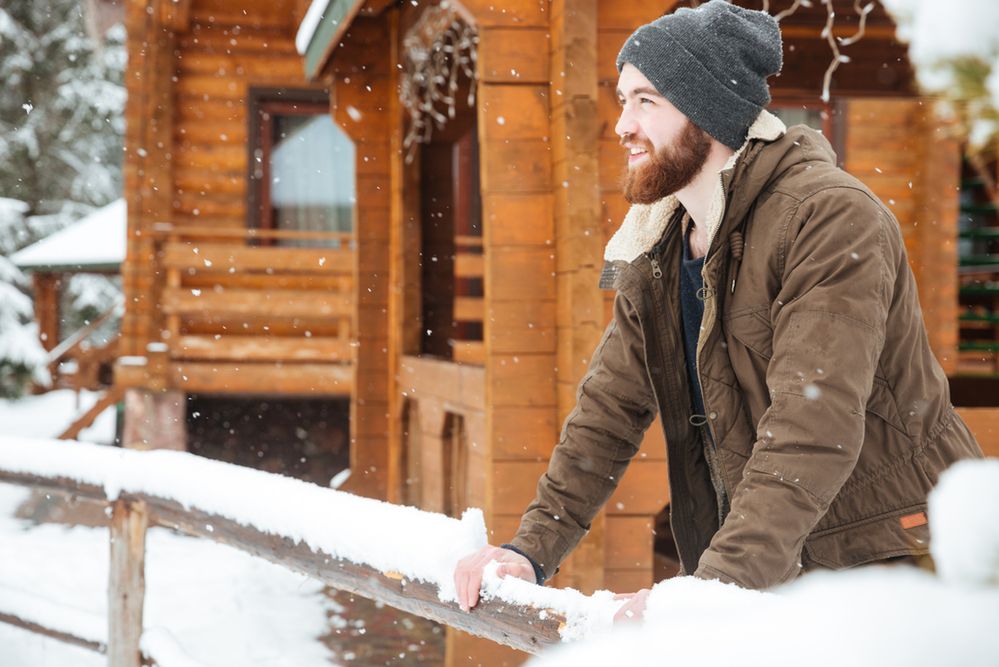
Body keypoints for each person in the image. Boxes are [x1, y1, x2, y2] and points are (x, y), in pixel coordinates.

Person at [453, 0, 983, 619]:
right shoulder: (663, 240)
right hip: (780, 563)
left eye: (646, 101)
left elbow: (814, 427)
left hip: (900, 558)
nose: (622, 124)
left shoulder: (829, 219)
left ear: (709, 113)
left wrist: (711, 592)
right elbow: (610, 410)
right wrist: (531, 549)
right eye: (622, 99)